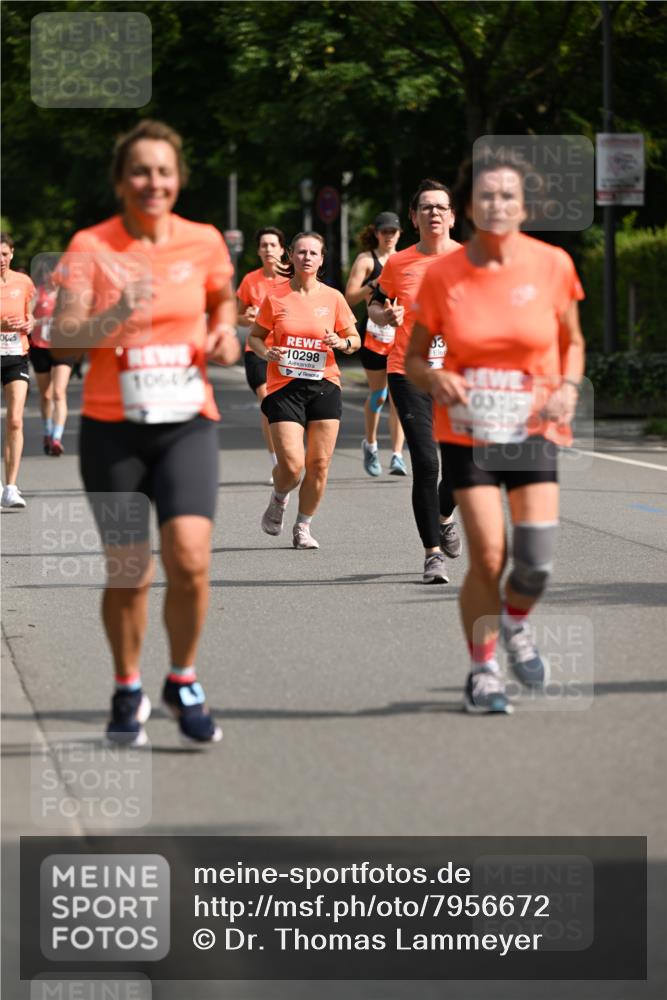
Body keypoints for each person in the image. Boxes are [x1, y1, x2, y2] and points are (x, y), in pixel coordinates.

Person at [52, 120, 240, 746]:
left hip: (187, 422)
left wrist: (224, 332)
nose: (152, 182)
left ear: (178, 178)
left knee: (189, 559)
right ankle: (127, 684)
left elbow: (223, 299)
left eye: (163, 171)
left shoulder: (204, 240)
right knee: (129, 569)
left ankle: (182, 678)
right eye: (140, 171)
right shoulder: (89, 245)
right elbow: (63, 338)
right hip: (114, 428)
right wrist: (115, 311)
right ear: (120, 180)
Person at [406, 151, 585, 714]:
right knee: (488, 556)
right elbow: (413, 359)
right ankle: (482, 670)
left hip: (532, 425)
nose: (498, 205)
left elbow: (573, 340)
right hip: (468, 430)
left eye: (509, 196)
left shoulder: (553, 265)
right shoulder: (443, 276)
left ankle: (514, 621)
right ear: (469, 207)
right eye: (487, 196)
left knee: (534, 562)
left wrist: (570, 387)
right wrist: (436, 377)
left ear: (524, 205)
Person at [368, 181, 462, 584]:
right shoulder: (398, 263)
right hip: (409, 372)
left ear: (453, 216)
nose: (434, 213)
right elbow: (376, 302)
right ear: (414, 216)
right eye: (426, 207)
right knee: (426, 461)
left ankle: (443, 516)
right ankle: (432, 554)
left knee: (466, 466)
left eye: (441, 207)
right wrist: (382, 317)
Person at [247, 232, 360, 550]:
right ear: (291, 257)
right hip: (285, 387)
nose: (307, 257)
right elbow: (255, 336)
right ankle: (279, 496)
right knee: (293, 465)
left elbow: (354, 339)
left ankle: (303, 526)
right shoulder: (276, 297)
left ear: (322, 259)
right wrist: (265, 352)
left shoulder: (334, 298)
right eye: (301, 252)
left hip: (325, 385)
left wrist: (342, 343)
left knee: (320, 464)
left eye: (314, 253)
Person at [344, 212, 406, 477]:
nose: (389, 236)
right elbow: (348, 298)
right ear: (376, 233)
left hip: (399, 335)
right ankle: (370, 444)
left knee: (398, 397)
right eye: (384, 231)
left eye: (393, 231)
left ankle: (397, 455)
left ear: (400, 233)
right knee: (379, 395)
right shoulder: (366, 260)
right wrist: (373, 284)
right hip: (373, 336)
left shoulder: (405, 260)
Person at [237, 227, 288, 479]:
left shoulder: (292, 279)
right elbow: (238, 316)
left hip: (287, 350)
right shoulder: (250, 280)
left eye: (273, 245)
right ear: (258, 250)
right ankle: (276, 461)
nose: (268, 249)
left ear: (281, 249)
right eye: (264, 245)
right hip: (257, 349)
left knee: (287, 405)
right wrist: (245, 318)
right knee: (267, 399)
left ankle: (291, 454)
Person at [1, 232, 34, 509]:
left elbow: (30, 313)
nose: (0, 259)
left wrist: (30, 324)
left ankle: (11, 487)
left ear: (12, 253)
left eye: (4, 253)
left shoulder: (23, 282)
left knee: (15, 420)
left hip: (16, 355)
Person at [29, 255, 74, 456]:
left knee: (58, 392)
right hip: (40, 347)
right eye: (47, 272)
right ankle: (47, 431)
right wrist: (42, 321)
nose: (50, 276)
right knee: (46, 395)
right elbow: (27, 318)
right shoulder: (37, 294)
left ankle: (56, 438)